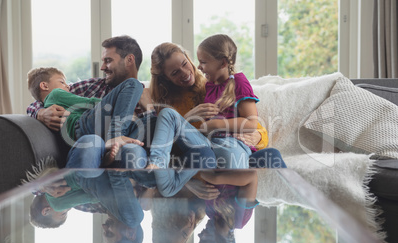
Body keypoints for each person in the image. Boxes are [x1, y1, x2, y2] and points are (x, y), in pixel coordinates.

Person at [149, 41, 286, 169]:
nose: (185, 73)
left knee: (272, 154)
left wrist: (259, 136)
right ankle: (156, 167)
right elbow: (169, 147)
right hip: (201, 152)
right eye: (175, 73)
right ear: (165, 77)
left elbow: (251, 122)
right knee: (168, 114)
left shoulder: (212, 84)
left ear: (188, 58)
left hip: (227, 145)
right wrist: (187, 118)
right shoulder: (164, 102)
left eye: (185, 64)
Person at [27, 35, 153, 169]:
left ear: (129, 60)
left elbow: (158, 131)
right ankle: (115, 137)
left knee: (134, 149)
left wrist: (149, 111)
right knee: (92, 142)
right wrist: (40, 113)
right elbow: (42, 98)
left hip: (126, 146)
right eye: (103, 61)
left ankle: (114, 155)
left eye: (108, 61)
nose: (102, 67)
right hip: (91, 139)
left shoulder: (147, 95)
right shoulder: (91, 86)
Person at [27, 67, 143, 165]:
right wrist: (116, 102)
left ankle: (107, 155)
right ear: (44, 86)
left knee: (148, 121)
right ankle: (115, 136)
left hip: (88, 132)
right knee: (132, 84)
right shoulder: (55, 94)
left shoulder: (54, 100)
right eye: (62, 82)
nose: (68, 87)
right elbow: (90, 103)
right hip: (82, 126)